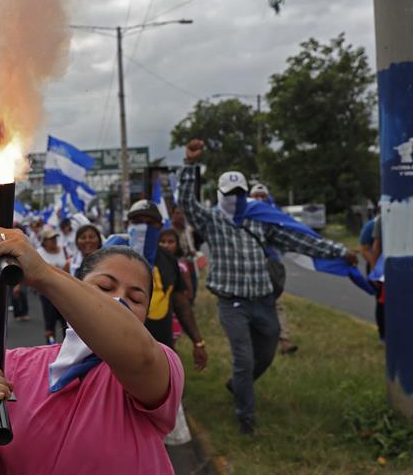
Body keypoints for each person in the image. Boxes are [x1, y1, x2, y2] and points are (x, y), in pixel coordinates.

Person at [0, 232, 184, 475]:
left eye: (135, 299)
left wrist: (42, 273)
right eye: (104, 287)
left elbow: (141, 356)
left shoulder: (160, 366)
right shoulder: (13, 363)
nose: (118, 301)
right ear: (76, 288)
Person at [179, 139, 357, 435]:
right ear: (220, 195)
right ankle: (245, 417)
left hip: (263, 301)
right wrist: (189, 164)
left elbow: (300, 240)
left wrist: (339, 252)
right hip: (232, 302)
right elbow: (186, 202)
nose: (235, 198)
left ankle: (238, 384)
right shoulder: (210, 220)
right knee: (244, 358)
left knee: (266, 354)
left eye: (239, 193)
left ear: (246, 194)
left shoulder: (261, 221)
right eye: (229, 194)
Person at [127, 202, 207, 369]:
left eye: (150, 223)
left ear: (160, 226)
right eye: (138, 222)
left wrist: (198, 342)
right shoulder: (112, 256)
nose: (144, 228)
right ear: (129, 225)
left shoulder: (169, 260)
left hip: (160, 350)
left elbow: (180, 303)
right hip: (120, 351)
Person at [249, 183, 298, 355]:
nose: (259, 199)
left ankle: (284, 340)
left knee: (277, 302)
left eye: (263, 196)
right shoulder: (244, 215)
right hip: (249, 267)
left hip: (271, 266)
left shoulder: (274, 215)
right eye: (256, 196)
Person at [36, 228, 70, 344]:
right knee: (50, 324)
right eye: (51, 239)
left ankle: (68, 350)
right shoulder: (39, 253)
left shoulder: (64, 250)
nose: (54, 240)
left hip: (65, 292)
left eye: (55, 238)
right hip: (48, 293)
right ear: (44, 241)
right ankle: (51, 349)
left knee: (67, 323)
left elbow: (70, 264)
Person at [170, 205, 204, 301]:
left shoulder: (189, 230)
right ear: (172, 215)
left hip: (190, 264)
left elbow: (200, 241)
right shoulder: (169, 230)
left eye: (182, 213)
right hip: (177, 265)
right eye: (177, 213)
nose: (180, 216)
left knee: (193, 288)